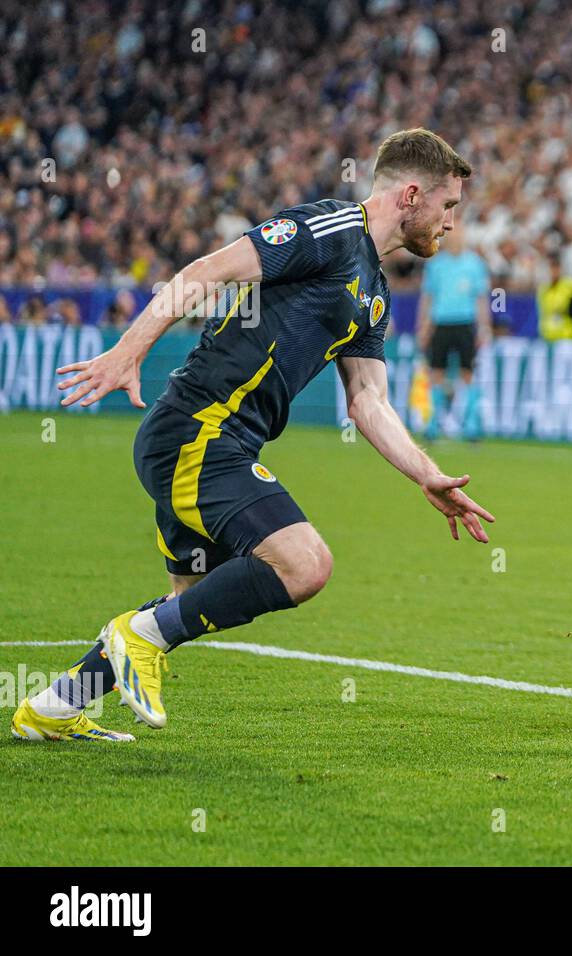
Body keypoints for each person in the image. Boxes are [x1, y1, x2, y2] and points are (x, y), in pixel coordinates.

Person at [12, 128, 496, 743]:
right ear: (409, 194)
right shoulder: (328, 231)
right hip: (195, 431)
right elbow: (206, 271)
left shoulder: (374, 292)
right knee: (304, 563)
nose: (452, 222)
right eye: (448, 205)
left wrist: (427, 475)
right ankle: (134, 639)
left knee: (188, 601)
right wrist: (127, 353)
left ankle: (53, 707)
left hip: (224, 445)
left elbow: (369, 402)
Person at [415, 227, 490, 439]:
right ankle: (432, 424)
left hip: (465, 322)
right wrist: (423, 327)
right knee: (436, 373)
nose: (456, 241)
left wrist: (484, 328)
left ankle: (472, 425)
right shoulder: (436, 265)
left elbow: (481, 299)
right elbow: (428, 298)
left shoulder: (475, 264)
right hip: (441, 322)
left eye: (460, 237)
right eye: (453, 237)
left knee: (468, 373)